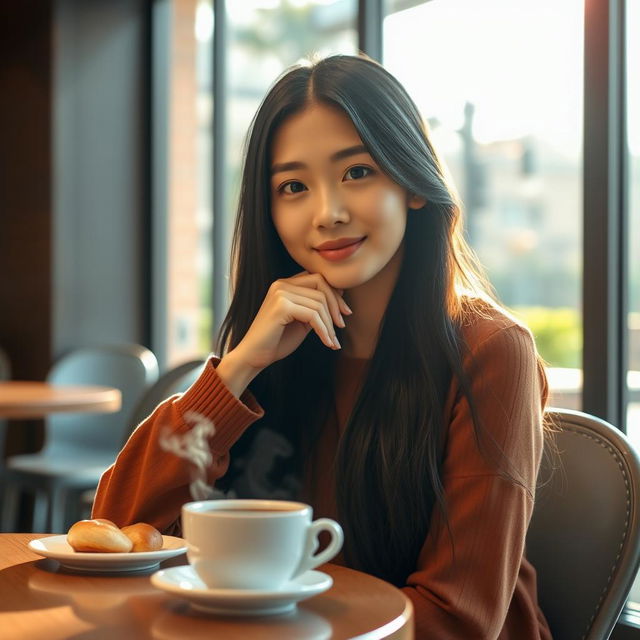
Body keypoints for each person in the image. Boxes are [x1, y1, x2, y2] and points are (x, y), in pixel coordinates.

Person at [93, 54, 552, 639]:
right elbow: (113, 533)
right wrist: (235, 370)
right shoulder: (279, 349)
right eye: (293, 186)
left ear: (412, 182)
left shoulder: (490, 350)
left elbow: (457, 618)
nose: (327, 213)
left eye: (356, 172)